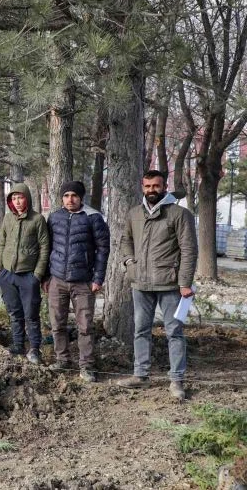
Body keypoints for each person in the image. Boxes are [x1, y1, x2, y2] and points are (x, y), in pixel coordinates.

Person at [116, 170, 197, 401]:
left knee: (174, 332)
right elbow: (125, 241)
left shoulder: (179, 214)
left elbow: (189, 250)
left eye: (156, 186)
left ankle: (176, 380)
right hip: (140, 283)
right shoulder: (134, 214)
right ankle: (140, 375)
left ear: (165, 186)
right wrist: (129, 263)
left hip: (170, 284)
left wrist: (184, 283)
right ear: (142, 187)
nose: (152, 190)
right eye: (148, 186)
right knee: (141, 330)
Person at [45, 181, 110, 382]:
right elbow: (48, 248)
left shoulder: (93, 218)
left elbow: (103, 249)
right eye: (66, 196)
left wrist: (97, 278)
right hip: (57, 280)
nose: (70, 199)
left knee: (85, 326)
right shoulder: (55, 217)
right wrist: (47, 276)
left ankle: (87, 365)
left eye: (74, 195)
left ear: (81, 197)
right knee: (57, 324)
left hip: (83, 282)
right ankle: (62, 359)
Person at [0, 183, 50, 364]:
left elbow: (44, 247)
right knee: (14, 312)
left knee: (31, 314)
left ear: (27, 199)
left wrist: (37, 275)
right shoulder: (7, 218)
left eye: (20, 197)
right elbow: (1, 244)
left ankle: (34, 348)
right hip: (8, 275)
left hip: (28, 275)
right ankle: (17, 344)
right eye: (13, 198)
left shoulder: (37, 220)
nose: (17, 202)